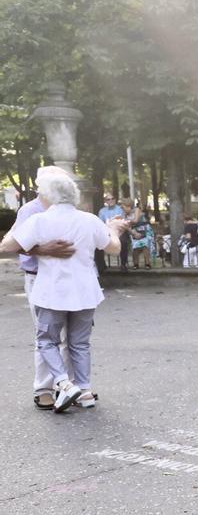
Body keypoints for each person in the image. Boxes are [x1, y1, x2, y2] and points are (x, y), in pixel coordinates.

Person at [0, 170, 127, 412]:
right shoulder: (89, 220)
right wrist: (113, 229)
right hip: (85, 291)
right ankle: (85, 390)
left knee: (47, 341)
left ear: (49, 195)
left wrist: (39, 248)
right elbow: (113, 249)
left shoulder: (40, 221)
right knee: (79, 343)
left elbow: (8, 245)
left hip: (52, 291)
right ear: (75, 195)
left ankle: (64, 383)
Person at [10, 167, 80, 410]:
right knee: (46, 335)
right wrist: (41, 250)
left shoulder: (69, 210)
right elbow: (11, 244)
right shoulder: (30, 211)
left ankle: (72, 385)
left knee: (72, 337)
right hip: (39, 277)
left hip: (67, 278)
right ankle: (43, 388)